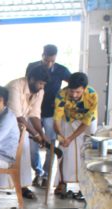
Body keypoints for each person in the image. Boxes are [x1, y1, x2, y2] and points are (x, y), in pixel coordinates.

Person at [26, 44, 71, 185]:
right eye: (46, 60)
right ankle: (37, 172)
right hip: (33, 112)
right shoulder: (32, 67)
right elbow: (27, 85)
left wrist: (61, 100)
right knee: (33, 144)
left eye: (52, 61)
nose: (49, 63)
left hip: (51, 113)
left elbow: (73, 84)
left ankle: (46, 174)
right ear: (42, 55)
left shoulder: (61, 70)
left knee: (51, 143)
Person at [5, 66, 50, 200]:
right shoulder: (15, 86)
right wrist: (35, 135)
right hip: (5, 125)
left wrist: (42, 135)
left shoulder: (39, 91)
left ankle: (23, 186)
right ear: (31, 79)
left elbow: (35, 115)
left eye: (44, 84)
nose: (42, 87)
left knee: (24, 152)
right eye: (40, 83)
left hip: (21, 125)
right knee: (6, 155)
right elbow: (18, 115)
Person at [53, 72, 98, 192]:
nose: (73, 94)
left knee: (88, 150)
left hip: (86, 122)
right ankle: (62, 182)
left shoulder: (92, 95)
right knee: (65, 150)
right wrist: (61, 135)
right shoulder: (61, 94)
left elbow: (86, 123)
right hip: (67, 119)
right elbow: (57, 119)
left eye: (78, 92)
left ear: (84, 88)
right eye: (71, 91)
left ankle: (87, 184)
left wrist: (71, 137)